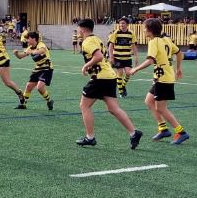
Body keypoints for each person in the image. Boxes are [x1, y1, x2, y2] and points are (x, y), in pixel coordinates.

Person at [75, 18, 142, 149]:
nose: (78, 31)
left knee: (84, 106)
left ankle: (90, 137)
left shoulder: (87, 41)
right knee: (113, 108)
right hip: (110, 76)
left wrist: (86, 66)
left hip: (100, 78)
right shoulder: (96, 39)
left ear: (82, 29)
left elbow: (98, 56)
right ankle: (134, 133)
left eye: (78, 28)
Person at [128, 18, 189, 144]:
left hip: (163, 79)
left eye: (145, 28)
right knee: (149, 101)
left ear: (150, 30)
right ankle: (163, 129)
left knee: (161, 108)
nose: (144, 30)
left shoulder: (154, 42)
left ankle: (181, 132)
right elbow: (179, 53)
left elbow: (150, 61)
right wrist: (178, 69)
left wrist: (135, 69)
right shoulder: (165, 39)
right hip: (161, 78)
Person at [12, 31, 54, 110]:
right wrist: (16, 54)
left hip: (47, 68)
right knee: (29, 86)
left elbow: (42, 50)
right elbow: (21, 56)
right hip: (38, 68)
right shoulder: (29, 48)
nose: (27, 40)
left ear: (34, 39)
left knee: (39, 87)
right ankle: (23, 104)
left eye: (28, 38)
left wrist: (32, 52)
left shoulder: (41, 44)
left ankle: (49, 100)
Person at [107, 17, 137, 97]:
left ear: (127, 24)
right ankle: (121, 92)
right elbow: (111, 45)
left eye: (123, 23)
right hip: (117, 57)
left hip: (127, 57)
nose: (121, 25)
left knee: (128, 73)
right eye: (120, 23)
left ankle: (122, 86)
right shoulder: (116, 33)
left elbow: (133, 46)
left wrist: (136, 57)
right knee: (120, 73)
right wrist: (111, 56)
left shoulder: (131, 33)